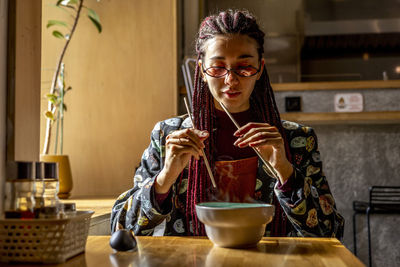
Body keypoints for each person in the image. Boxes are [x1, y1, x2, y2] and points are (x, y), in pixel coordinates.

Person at [111, 9, 344, 238]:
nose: (231, 80)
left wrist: (285, 170)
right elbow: (121, 228)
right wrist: (165, 178)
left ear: (260, 69)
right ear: (202, 70)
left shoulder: (295, 140)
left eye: (244, 67)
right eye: (218, 67)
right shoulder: (168, 136)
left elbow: (330, 230)